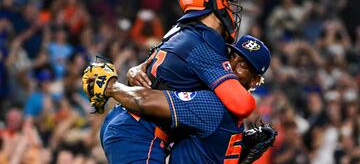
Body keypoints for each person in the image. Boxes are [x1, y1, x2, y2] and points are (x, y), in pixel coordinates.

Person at [84, 35, 272, 163]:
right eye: (232, 57)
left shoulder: (214, 105)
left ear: (256, 80)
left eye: (243, 66)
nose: (232, 66)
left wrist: (111, 86)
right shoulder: (234, 115)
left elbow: (144, 100)